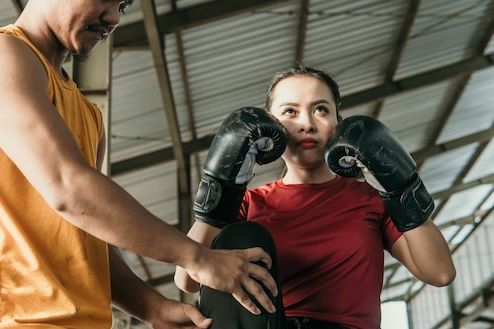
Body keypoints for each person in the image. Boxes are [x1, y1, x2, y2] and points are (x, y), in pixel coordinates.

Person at [0, 0, 284, 328]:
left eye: (123, 5)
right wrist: (197, 258)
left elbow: (86, 233)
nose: (114, 18)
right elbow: (68, 187)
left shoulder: (87, 114)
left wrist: (153, 307)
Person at [175, 66, 456, 329]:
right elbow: (187, 279)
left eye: (320, 110)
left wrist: (401, 189)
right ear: (270, 124)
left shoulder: (371, 199)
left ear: (338, 123)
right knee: (243, 236)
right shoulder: (248, 203)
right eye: (290, 112)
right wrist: (220, 191)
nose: (306, 124)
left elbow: (439, 273)